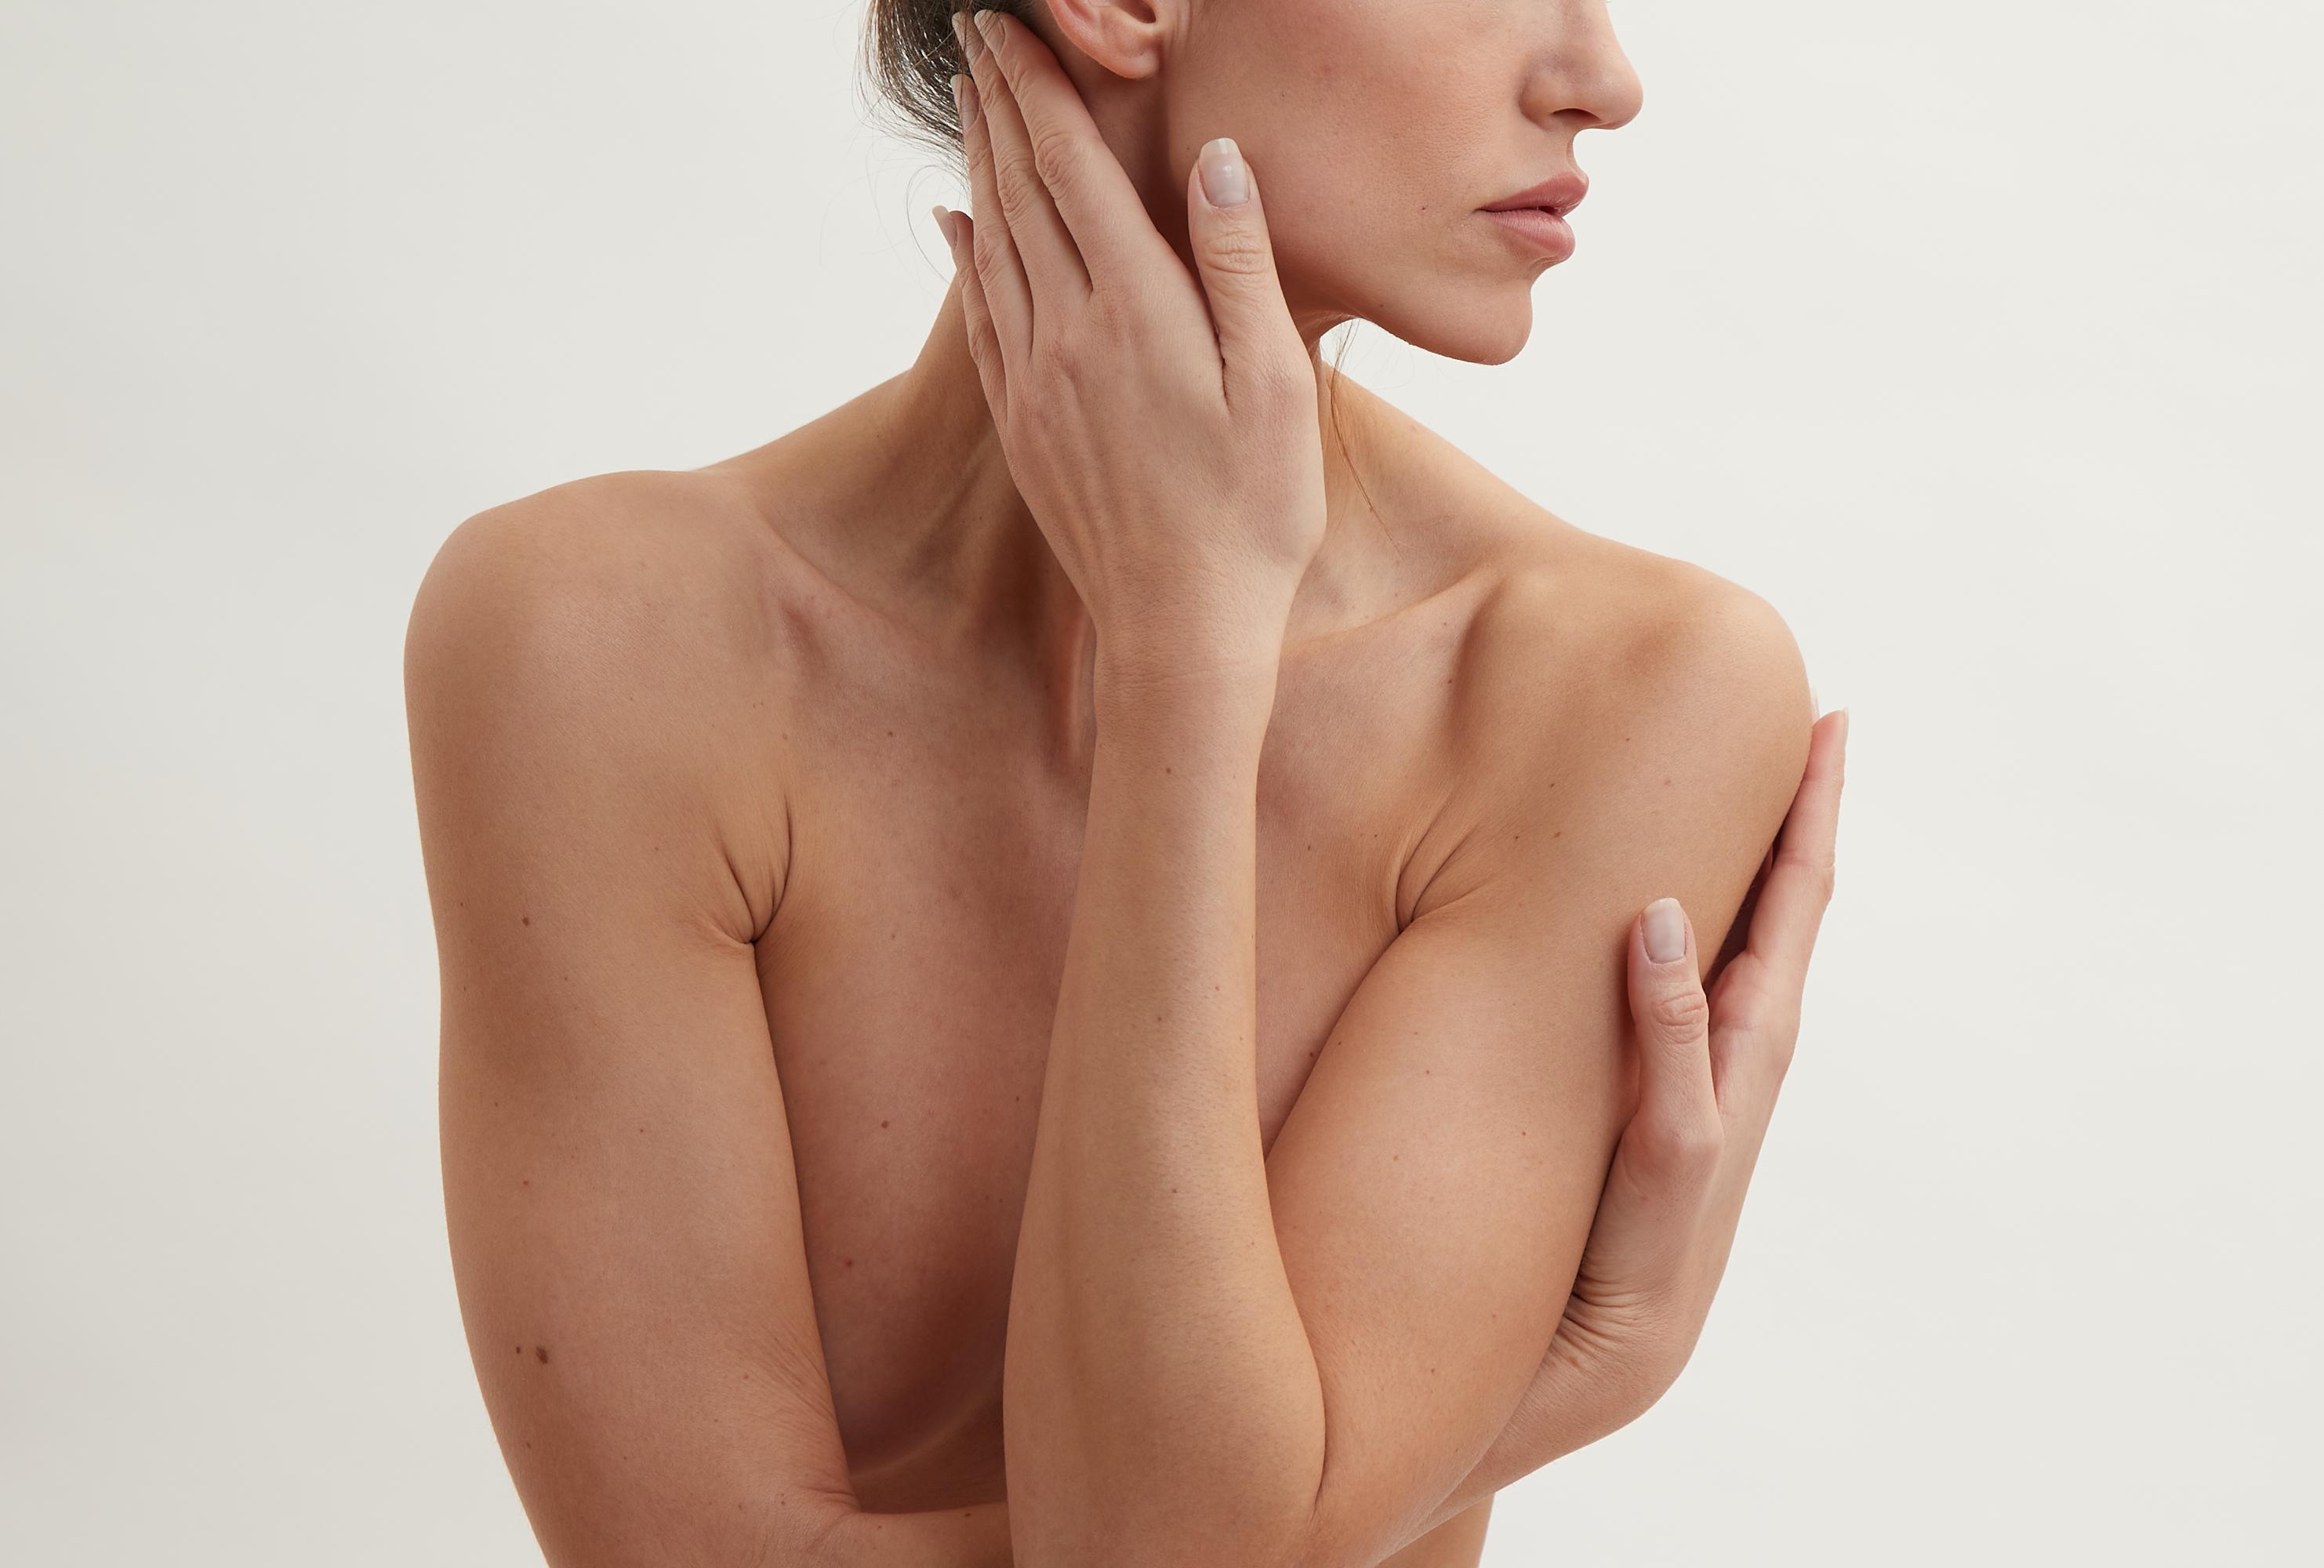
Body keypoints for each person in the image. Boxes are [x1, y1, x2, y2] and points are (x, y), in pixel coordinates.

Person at [402, 2, 1849, 1563]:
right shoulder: (596, 644)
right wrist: (1538, 1396)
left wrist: (1183, 657)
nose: (1603, 81)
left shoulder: (1618, 696)